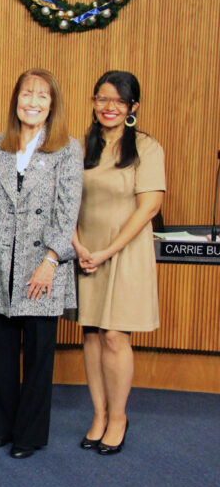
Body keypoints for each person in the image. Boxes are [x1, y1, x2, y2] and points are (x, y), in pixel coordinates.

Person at [0, 69, 82, 459]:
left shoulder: (67, 149)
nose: (32, 102)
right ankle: (0, 427)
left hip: (42, 267)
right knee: (0, 354)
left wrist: (51, 261)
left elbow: (67, 213)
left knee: (37, 356)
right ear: (16, 100)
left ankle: (29, 435)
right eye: (26, 94)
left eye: (42, 96)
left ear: (52, 105)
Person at [72, 71, 164, 455]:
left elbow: (150, 207)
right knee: (92, 334)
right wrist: (78, 246)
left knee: (114, 336)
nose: (110, 107)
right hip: (85, 251)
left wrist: (107, 251)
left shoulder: (146, 147)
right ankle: (98, 414)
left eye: (119, 101)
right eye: (103, 99)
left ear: (133, 107)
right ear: (93, 102)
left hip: (125, 251)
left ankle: (119, 418)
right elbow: (65, 204)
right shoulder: (79, 147)